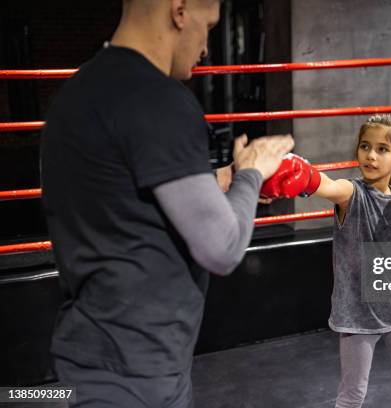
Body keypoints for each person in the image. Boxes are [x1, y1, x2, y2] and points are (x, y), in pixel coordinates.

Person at [40, 0, 293, 406]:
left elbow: (125, 195)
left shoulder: (75, 94)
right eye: (207, 26)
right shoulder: (159, 100)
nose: (207, 47)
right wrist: (251, 173)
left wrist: (222, 181)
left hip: (86, 363)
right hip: (140, 377)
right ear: (179, 10)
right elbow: (222, 248)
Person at [261, 114, 391, 408]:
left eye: (382, 149)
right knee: (353, 394)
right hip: (358, 316)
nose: (370, 155)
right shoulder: (351, 194)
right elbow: (328, 186)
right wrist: (303, 174)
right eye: (364, 146)